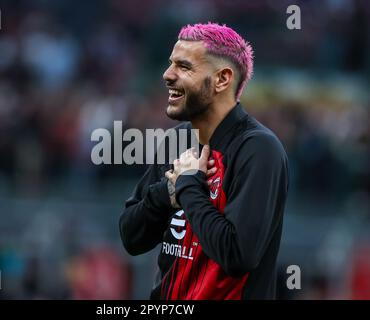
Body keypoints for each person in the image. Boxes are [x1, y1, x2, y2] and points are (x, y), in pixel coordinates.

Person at [119, 22, 289, 299]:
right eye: (170, 63)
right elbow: (131, 237)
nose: (167, 75)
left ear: (222, 79)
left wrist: (187, 187)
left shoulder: (258, 148)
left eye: (184, 67)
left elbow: (237, 255)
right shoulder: (175, 141)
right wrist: (165, 193)